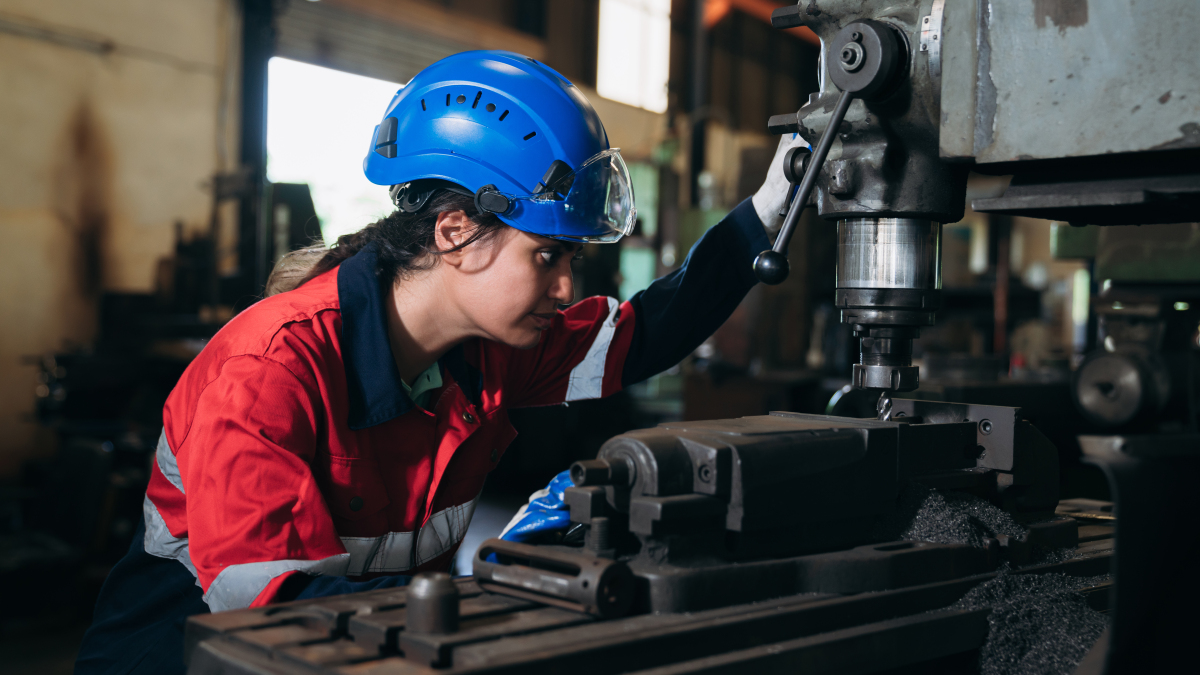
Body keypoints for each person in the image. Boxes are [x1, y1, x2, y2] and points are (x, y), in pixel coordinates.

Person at [75, 50, 803, 675]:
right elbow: (278, 609)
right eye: (547, 256)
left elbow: (642, 335)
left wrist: (767, 211)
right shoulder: (269, 372)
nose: (564, 288)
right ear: (455, 231)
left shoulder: (484, 353)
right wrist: (507, 600)